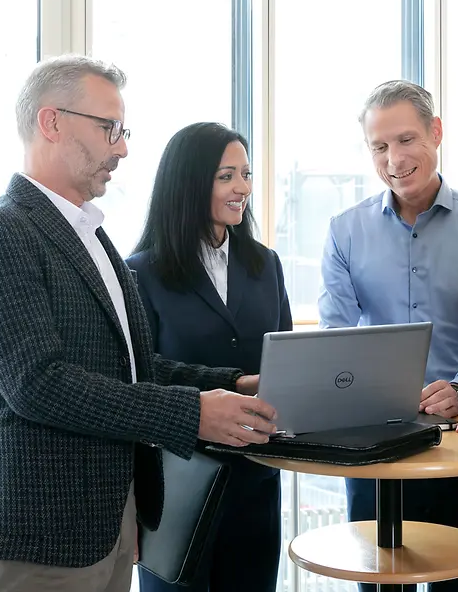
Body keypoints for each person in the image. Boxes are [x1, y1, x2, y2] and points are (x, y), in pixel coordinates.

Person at [0, 55, 278, 592]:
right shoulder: (0, 233)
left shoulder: (93, 238)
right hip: (45, 535)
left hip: (112, 524)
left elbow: (132, 367)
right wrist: (193, 413)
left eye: (123, 132)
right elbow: (39, 385)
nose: (122, 148)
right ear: (51, 123)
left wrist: (232, 384)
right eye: (109, 129)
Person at [318, 80, 458, 592]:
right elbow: (335, 339)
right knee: (378, 585)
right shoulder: (344, 230)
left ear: (436, 132)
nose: (394, 159)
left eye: (406, 140)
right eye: (379, 146)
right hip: (373, 444)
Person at [126, 122, 291, 592]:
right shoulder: (140, 273)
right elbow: (138, 380)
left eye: (246, 174)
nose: (243, 188)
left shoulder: (265, 264)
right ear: (189, 183)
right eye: (226, 176)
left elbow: (284, 366)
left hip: (256, 483)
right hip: (177, 489)